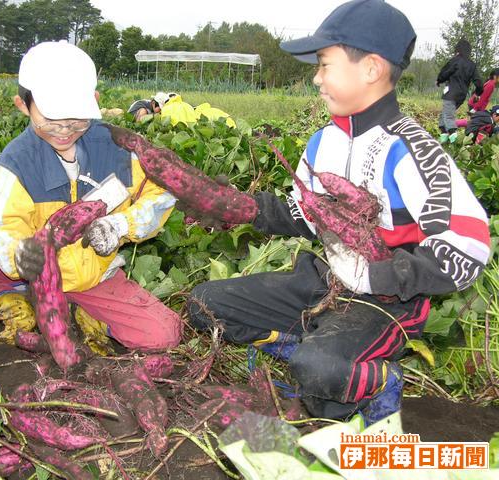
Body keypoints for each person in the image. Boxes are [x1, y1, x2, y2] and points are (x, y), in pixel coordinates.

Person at [187, 0, 490, 425]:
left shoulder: (411, 150)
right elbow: (303, 214)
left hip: (388, 303)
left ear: (370, 68)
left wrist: (378, 276)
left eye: (325, 64)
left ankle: (370, 378)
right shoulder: (323, 142)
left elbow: (468, 250)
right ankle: (316, 353)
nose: (316, 77)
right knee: (205, 304)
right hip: (325, 282)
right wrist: (233, 206)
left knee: (322, 371)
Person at [0, 41, 182, 351]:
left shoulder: (118, 150)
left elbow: (161, 195)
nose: (64, 130)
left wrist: (122, 225)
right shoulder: (16, 164)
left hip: (92, 279)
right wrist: (21, 256)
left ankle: (78, 311)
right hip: (28, 277)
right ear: (23, 105)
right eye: (51, 119)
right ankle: (20, 305)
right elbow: (0, 229)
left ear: (94, 101)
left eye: (76, 119)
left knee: (164, 335)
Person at [436, 39, 483, 143]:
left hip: (451, 93)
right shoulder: (472, 65)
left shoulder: (455, 60)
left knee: (448, 115)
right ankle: (443, 137)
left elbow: (445, 72)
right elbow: (479, 82)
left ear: (458, 50)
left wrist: (439, 80)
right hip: (461, 95)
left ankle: (454, 139)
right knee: (445, 113)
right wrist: (478, 93)